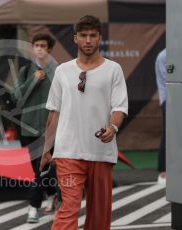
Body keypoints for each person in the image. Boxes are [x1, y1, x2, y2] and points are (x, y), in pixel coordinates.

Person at [39, 15, 128, 230]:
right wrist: (46, 148)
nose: (88, 40)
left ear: (99, 38)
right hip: (68, 152)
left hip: (101, 151)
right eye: (84, 36)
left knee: (99, 214)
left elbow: (119, 108)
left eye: (93, 35)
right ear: (75, 39)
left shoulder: (113, 69)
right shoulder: (62, 71)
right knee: (69, 206)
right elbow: (54, 112)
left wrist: (113, 127)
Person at [14, 33, 58, 223]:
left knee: (41, 171)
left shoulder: (58, 71)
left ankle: (33, 207)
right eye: (36, 45)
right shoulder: (25, 70)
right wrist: (33, 80)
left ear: (49, 49)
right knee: (38, 171)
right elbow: (17, 97)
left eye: (43, 45)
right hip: (28, 128)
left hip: (51, 129)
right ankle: (53, 195)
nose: (39, 48)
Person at [155, 48, 166, 185]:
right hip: (169, 101)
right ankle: (164, 170)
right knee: (169, 134)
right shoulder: (163, 56)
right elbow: (170, 79)